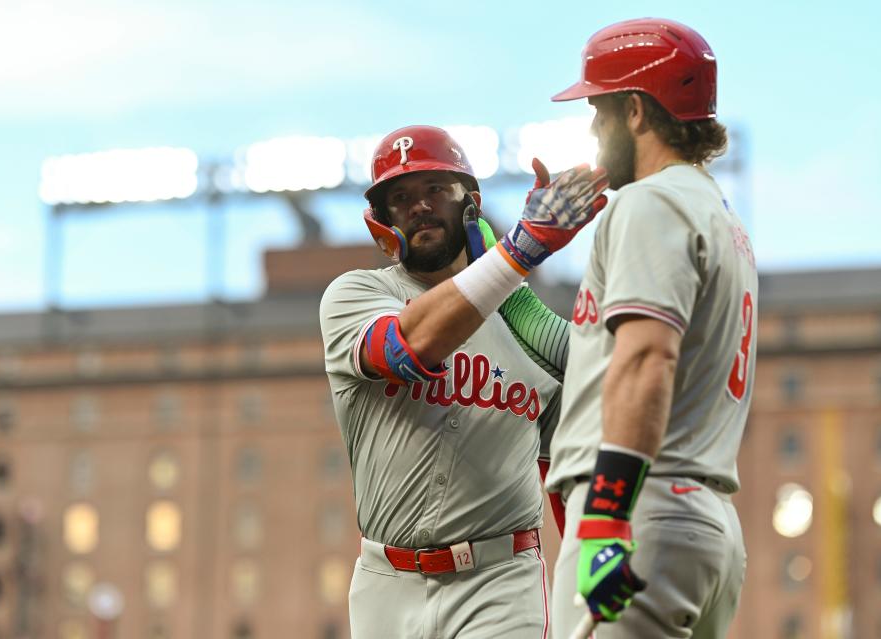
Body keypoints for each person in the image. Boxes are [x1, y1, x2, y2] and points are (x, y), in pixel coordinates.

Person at [319, 124, 608, 638]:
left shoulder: (530, 330)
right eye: (401, 196)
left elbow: (568, 473)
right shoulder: (355, 295)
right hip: (386, 582)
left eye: (436, 189)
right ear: (382, 219)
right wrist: (518, 253)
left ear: (470, 205)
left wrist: (591, 586)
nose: (420, 206)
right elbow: (408, 347)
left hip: (500, 581)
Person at [543, 18, 758, 639]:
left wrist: (607, 517)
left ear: (636, 111)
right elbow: (598, 354)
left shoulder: (650, 202)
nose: (592, 126)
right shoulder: (717, 214)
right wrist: (507, 266)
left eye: (599, 109)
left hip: (641, 507)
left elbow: (646, 359)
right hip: (700, 516)